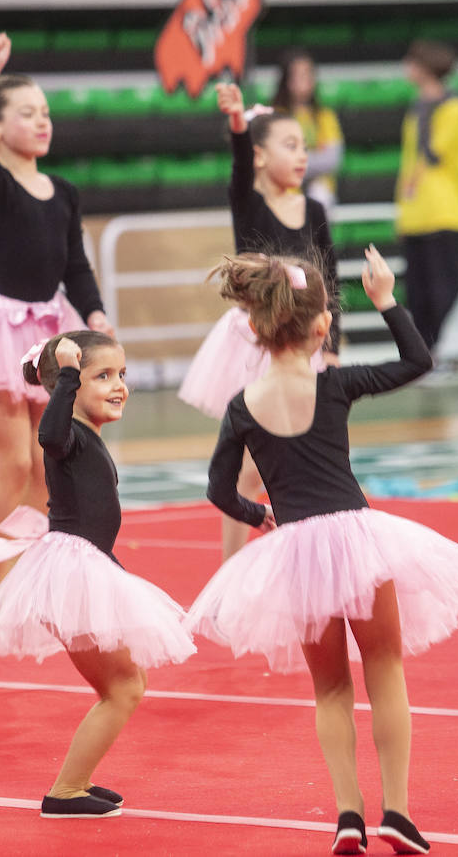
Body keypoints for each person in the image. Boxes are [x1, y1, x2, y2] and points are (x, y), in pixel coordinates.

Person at [186, 249, 458, 855]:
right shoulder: (337, 382)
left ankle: (347, 813)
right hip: (355, 538)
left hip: (297, 549)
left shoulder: (243, 406)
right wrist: (386, 300)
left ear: (255, 327)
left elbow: (220, 488)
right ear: (323, 325)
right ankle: (397, 812)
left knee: (330, 690)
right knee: (386, 668)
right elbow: (417, 361)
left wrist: (259, 516)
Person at [0, 32, 112, 614]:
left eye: (46, 113)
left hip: (50, 328)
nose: (42, 122)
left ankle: (27, 564)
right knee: (12, 459)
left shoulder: (63, 191)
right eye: (27, 113)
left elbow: (75, 264)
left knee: (44, 456)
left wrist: (97, 320)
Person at [0, 331, 195, 818]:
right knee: (125, 688)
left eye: (121, 375)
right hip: (70, 570)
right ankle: (66, 791)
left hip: (84, 567)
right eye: (103, 376)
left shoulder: (87, 436)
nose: (119, 385)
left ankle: (75, 784)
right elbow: (49, 435)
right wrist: (69, 378)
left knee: (121, 684)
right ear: (70, 386)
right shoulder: (68, 435)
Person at [178, 81, 340, 560]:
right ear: (261, 156)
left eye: (305, 146)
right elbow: (236, 164)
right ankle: (232, 565)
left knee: (298, 455)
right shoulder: (248, 202)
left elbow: (327, 275)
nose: (302, 154)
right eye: (290, 145)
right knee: (248, 463)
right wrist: (237, 125)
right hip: (251, 341)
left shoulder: (313, 209)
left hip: (300, 344)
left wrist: (331, 341)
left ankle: (299, 550)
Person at [393, 40, 458, 373]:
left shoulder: (454, 108)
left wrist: (431, 104)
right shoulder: (417, 109)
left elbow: (433, 152)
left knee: (444, 290)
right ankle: (424, 355)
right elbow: (409, 161)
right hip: (415, 214)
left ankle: (447, 352)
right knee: (417, 291)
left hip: (443, 212)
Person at [271, 48, 345, 213]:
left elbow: (333, 159)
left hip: (319, 189)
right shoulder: (276, 117)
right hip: (285, 190)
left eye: (309, 74)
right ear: (287, 80)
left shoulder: (324, 116)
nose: (306, 80)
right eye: (300, 75)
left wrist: (298, 164)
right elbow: (277, 160)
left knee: (320, 197)